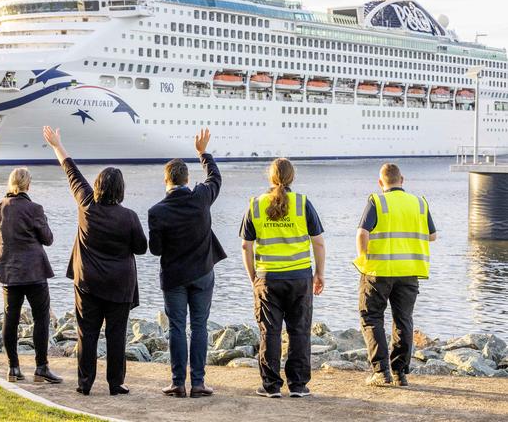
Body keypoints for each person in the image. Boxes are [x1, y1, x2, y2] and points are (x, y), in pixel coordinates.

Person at [43, 126, 147, 396]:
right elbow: (141, 248)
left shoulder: (86, 204)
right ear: (121, 190)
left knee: (86, 333)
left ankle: (85, 383)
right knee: (116, 335)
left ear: (98, 186)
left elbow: (71, 172)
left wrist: (57, 145)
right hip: (119, 285)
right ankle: (115, 383)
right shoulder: (129, 217)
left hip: (87, 282)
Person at [148, 128, 226, 399]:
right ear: (187, 179)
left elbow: (155, 250)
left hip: (174, 277)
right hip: (203, 273)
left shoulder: (156, 211)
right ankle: (199, 383)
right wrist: (203, 153)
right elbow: (215, 178)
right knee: (200, 327)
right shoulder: (201, 197)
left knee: (178, 328)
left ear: (166, 180)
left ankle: (178, 383)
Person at [240, 158, 326, 398]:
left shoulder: (255, 205)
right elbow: (318, 241)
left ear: (270, 177)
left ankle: (271, 386)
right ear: (292, 177)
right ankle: (298, 385)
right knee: (299, 330)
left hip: (268, 278)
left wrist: (253, 277)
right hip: (299, 277)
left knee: (270, 331)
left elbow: (246, 246)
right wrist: (320, 273)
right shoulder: (302, 203)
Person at [355, 163, 437, 387]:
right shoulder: (419, 203)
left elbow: (362, 232)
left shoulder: (377, 200)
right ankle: (400, 374)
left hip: (379, 272)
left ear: (381, 183)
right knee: (403, 320)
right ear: (403, 180)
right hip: (409, 272)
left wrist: (364, 257)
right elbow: (432, 236)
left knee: (371, 317)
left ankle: (381, 372)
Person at [0, 168, 62, 384]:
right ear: (28, 185)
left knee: (10, 318)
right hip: (34, 272)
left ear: (10, 184)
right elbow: (48, 239)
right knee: (41, 318)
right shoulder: (34, 208)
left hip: (9, 272)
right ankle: (41, 367)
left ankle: (13, 368)